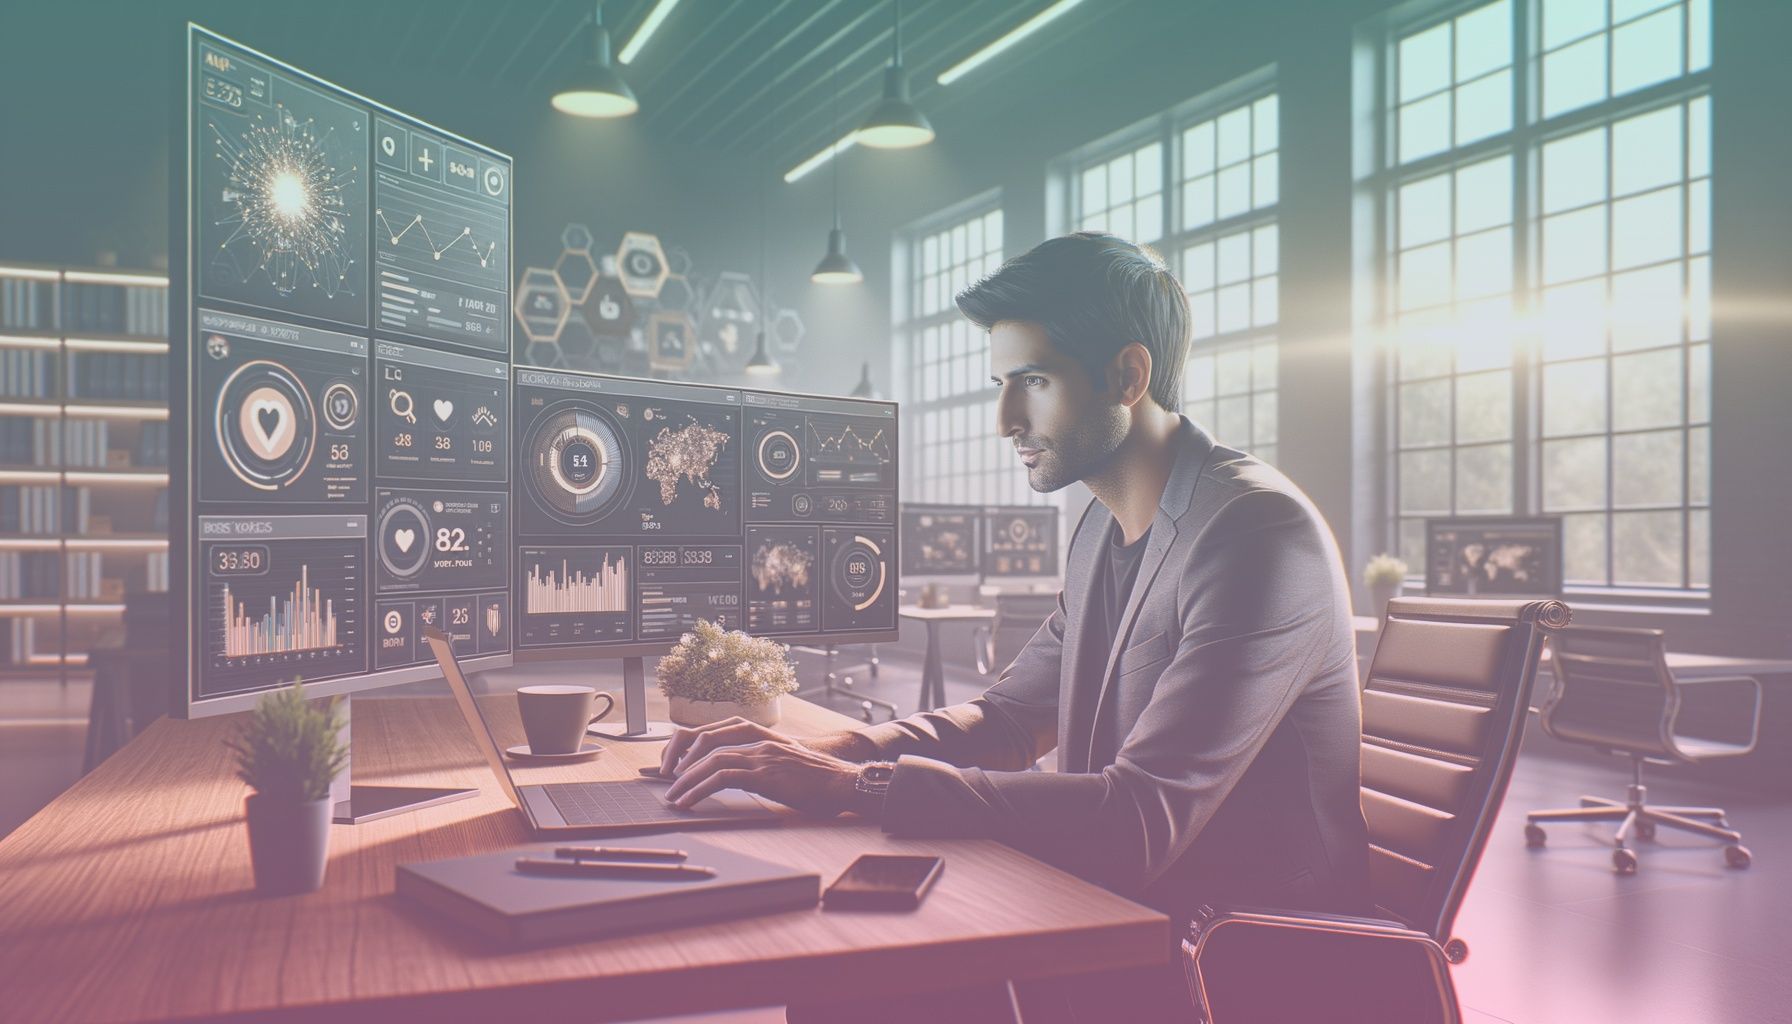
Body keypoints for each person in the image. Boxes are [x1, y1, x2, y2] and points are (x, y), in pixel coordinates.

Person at [660, 232, 1368, 1021]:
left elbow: (1138, 822)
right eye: (1002, 382)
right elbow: (1004, 719)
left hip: (1232, 958)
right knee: (850, 964)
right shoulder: (1104, 528)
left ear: (1127, 375)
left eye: (1032, 380)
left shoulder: (1254, 533)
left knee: (864, 979)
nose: (1005, 418)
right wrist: (823, 754)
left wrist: (858, 788)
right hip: (1116, 909)